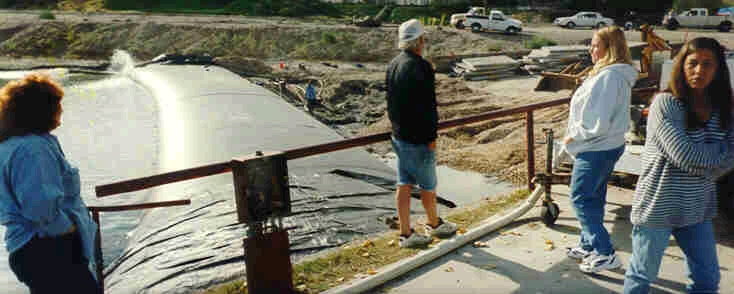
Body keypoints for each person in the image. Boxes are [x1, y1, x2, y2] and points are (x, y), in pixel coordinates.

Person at [623, 37, 734, 294]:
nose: (699, 71)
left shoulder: (724, 110)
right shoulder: (666, 104)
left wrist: (710, 159)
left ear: (718, 70)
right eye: (692, 63)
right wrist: (717, 157)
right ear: (681, 66)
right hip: (657, 206)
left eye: (708, 64)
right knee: (641, 276)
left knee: (707, 279)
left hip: (697, 208)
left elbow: (729, 156)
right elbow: (685, 156)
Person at [0, 73, 101, 293]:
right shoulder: (32, 149)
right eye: (57, 105)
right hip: (48, 248)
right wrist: (70, 229)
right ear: (41, 110)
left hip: (30, 248)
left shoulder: (11, 145)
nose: (60, 111)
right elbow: (41, 209)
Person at [562, 26, 638, 273]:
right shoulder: (612, 73)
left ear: (610, 49)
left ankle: (605, 253)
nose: (591, 50)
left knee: (581, 197)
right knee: (594, 196)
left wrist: (573, 137)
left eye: (596, 45)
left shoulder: (609, 77)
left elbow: (598, 122)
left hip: (596, 147)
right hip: (606, 145)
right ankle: (588, 244)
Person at [386, 19, 457, 248]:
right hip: (418, 139)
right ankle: (434, 224)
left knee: (403, 184)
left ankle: (406, 233)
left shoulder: (394, 65)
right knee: (428, 186)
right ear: (420, 41)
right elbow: (428, 107)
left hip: (399, 137)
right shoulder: (421, 66)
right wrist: (431, 138)